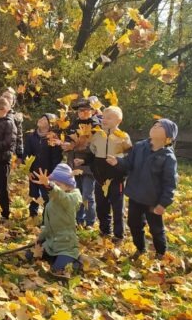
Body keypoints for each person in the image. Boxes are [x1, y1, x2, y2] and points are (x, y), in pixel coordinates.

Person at [107, 119, 178, 260]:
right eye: (155, 125)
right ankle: (140, 249)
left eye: (160, 126)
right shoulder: (139, 147)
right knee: (133, 224)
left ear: (168, 136)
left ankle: (160, 253)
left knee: (156, 229)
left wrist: (163, 203)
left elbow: (170, 183)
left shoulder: (168, 157)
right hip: (135, 196)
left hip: (153, 201)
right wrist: (118, 162)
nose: (155, 127)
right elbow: (128, 164)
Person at [86, 106, 132, 242]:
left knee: (117, 207)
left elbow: (129, 158)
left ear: (119, 120)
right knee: (101, 205)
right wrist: (83, 160)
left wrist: (119, 163)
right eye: (104, 117)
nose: (104, 120)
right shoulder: (97, 135)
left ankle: (119, 234)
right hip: (100, 178)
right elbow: (91, 154)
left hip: (116, 179)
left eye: (109, 118)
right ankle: (105, 230)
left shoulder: (123, 137)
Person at [29, 164, 83, 276]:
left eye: (57, 184)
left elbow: (63, 198)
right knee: (29, 255)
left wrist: (50, 185)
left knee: (57, 270)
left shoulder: (74, 197)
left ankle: (76, 261)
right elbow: (48, 226)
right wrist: (39, 240)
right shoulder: (51, 202)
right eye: (53, 183)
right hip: (51, 244)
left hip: (66, 246)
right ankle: (55, 259)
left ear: (68, 186)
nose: (54, 187)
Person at [63, 99, 99, 228]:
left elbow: (95, 147)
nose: (82, 113)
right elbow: (68, 142)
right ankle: (78, 220)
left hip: (89, 166)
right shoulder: (73, 125)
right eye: (80, 110)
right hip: (74, 164)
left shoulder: (96, 126)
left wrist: (82, 156)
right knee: (76, 194)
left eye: (85, 110)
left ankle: (90, 222)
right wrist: (66, 145)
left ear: (92, 111)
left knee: (87, 195)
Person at [24, 113, 63, 217]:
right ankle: (33, 216)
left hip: (47, 173)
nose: (41, 120)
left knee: (47, 197)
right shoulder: (31, 136)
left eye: (44, 119)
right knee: (33, 194)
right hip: (34, 171)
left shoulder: (53, 138)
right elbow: (26, 154)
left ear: (50, 124)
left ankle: (46, 219)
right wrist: (28, 171)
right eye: (40, 118)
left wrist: (52, 175)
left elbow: (56, 158)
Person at [1, 89, 24, 162]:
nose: (6, 99)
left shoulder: (16, 117)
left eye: (9, 97)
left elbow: (19, 137)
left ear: (13, 102)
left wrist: (19, 155)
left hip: (7, 154)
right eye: (4, 96)